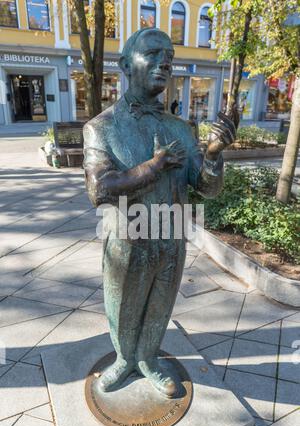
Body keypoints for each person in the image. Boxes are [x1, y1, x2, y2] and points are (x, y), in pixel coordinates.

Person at [83, 28, 238, 398]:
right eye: (152, 54)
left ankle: (149, 359)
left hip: (171, 240)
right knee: (123, 309)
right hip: (127, 240)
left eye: (167, 55)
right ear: (124, 65)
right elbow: (99, 189)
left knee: (160, 307)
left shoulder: (181, 129)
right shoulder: (101, 128)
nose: (164, 61)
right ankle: (123, 360)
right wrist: (154, 167)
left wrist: (214, 153)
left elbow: (206, 188)